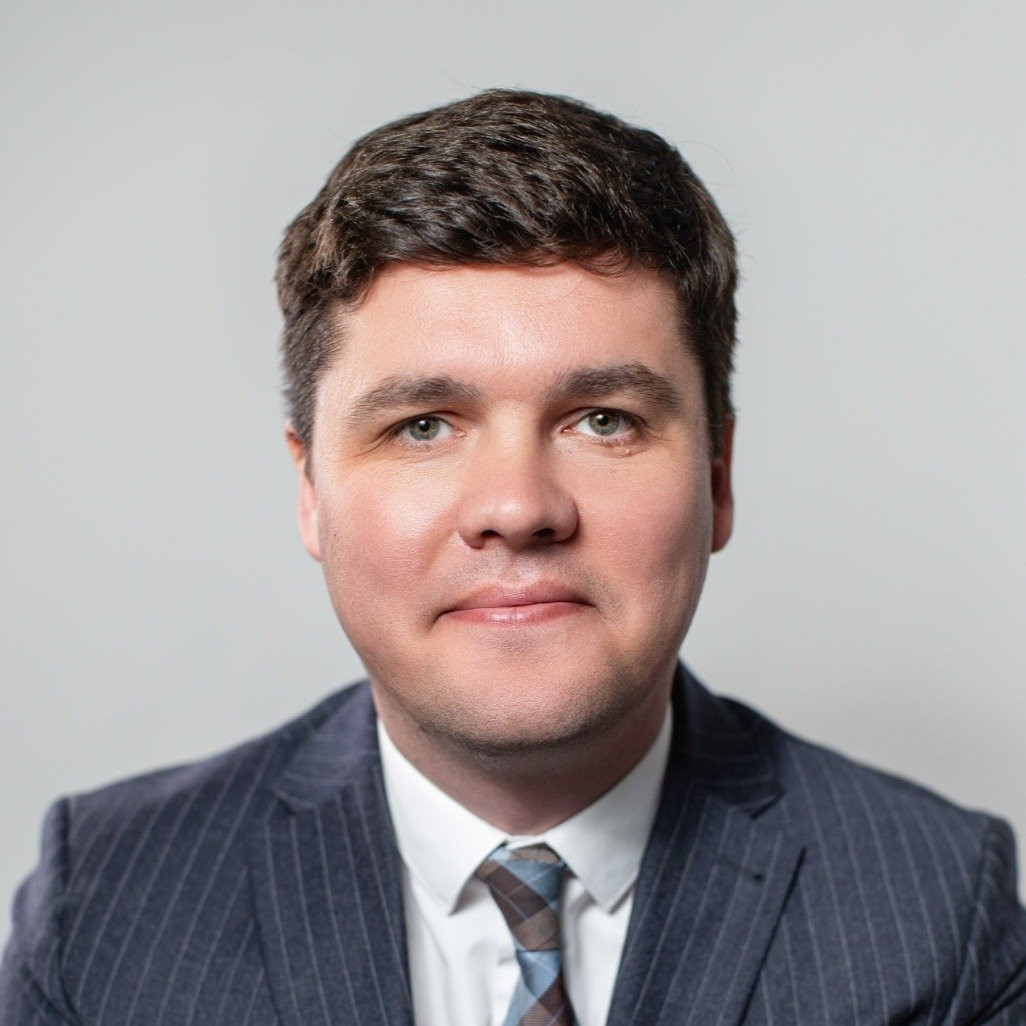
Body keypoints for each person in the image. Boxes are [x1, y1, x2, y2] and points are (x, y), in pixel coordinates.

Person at [2, 89, 1024, 1026]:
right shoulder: (105, 909)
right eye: (422, 427)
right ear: (310, 491)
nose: (518, 508)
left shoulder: (939, 914)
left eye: (604, 420)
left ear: (717, 478)